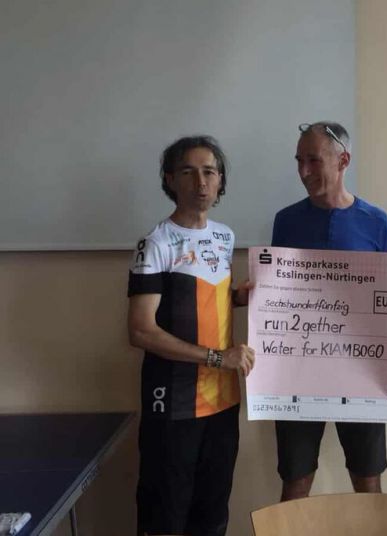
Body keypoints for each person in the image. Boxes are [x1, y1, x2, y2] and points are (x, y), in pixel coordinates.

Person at [127, 135, 255, 536]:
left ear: (220, 181)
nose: (201, 182)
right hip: (174, 402)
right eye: (188, 172)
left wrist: (238, 297)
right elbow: (141, 330)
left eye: (209, 172)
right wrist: (218, 358)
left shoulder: (225, 236)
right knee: (166, 518)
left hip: (222, 401)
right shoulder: (155, 243)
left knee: (212, 515)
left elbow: (197, 301)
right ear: (170, 180)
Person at [271, 121, 387, 501]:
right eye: (299, 161)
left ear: (343, 161)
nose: (303, 171)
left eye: (313, 160)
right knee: (295, 480)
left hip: (361, 372)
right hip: (298, 371)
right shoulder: (285, 221)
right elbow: (278, 291)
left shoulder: (376, 221)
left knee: (368, 478)